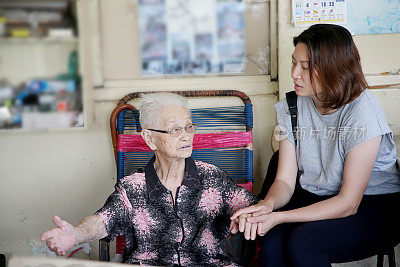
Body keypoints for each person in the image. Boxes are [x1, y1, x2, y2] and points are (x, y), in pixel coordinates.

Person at [230, 24, 400, 266]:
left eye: (306, 67)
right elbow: (285, 181)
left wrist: (279, 217)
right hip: (316, 194)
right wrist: (267, 206)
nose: (295, 74)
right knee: (271, 243)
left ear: (334, 69)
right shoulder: (292, 105)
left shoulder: (361, 111)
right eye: (293, 63)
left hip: (373, 205)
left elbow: (349, 203)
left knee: (305, 242)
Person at [41, 92, 257, 266]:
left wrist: (251, 217)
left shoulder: (212, 178)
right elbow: (103, 220)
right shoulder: (133, 188)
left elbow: (255, 208)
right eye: (174, 129)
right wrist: (76, 234)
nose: (186, 135)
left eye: (189, 127)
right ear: (149, 138)